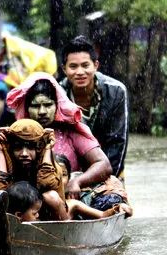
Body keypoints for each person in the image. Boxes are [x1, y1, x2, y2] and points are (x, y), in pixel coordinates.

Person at [6, 72, 112, 200]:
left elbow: (104, 164)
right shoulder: (17, 137)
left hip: (67, 198)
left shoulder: (71, 132)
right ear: (26, 109)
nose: (42, 112)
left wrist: (77, 182)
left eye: (48, 105)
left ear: (57, 105)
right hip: (27, 201)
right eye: (35, 106)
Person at [60, 36, 129, 179]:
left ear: (95, 65)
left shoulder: (116, 91)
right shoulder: (58, 94)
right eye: (73, 66)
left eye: (85, 65)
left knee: (114, 199)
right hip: (70, 170)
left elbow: (118, 142)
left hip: (108, 167)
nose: (80, 72)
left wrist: (107, 178)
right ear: (64, 69)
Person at [0, 119, 68, 221]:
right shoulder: (7, 165)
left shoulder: (50, 167)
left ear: (39, 148)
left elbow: (46, 183)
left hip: (45, 219)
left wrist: (47, 148)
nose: (24, 154)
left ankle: (64, 232)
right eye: (18, 147)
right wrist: (2, 150)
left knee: (50, 196)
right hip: (16, 218)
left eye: (31, 147)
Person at [54, 154, 132, 220]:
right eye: (53, 174)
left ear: (69, 178)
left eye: (63, 175)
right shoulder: (42, 199)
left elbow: (102, 215)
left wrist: (117, 208)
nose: (58, 179)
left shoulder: (72, 204)